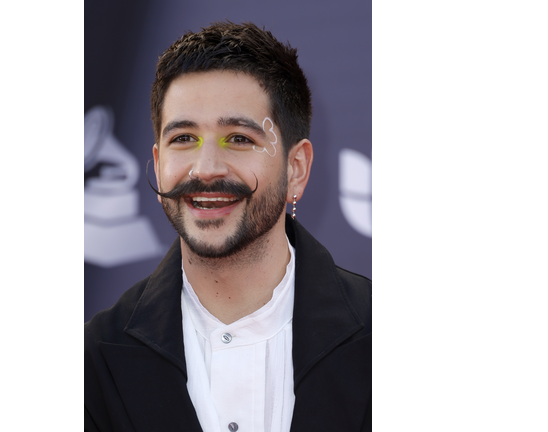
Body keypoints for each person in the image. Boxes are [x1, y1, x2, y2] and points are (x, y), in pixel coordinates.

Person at [85, 21, 371, 432]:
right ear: (159, 160)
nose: (206, 169)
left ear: (296, 168)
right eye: (183, 139)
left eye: (238, 138)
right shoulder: (92, 362)